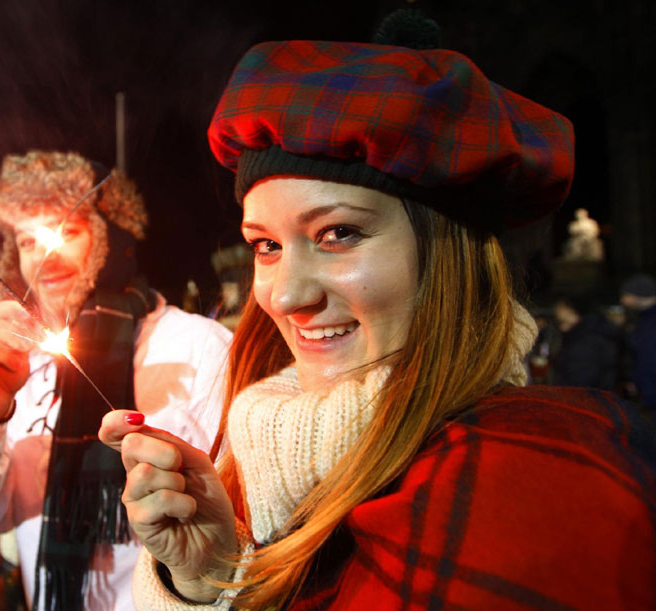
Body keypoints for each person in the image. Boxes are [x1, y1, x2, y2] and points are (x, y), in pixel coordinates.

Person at [98, 34, 656, 610]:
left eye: (338, 234)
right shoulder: (247, 464)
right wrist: (207, 578)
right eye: (265, 245)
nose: (286, 296)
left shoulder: (531, 488)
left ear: (448, 257)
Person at [0, 150, 232, 610]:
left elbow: (241, 527)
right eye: (26, 241)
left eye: (67, 232)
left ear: (109, 239)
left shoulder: (199, 346)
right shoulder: (13, 361)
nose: (46, 256)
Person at [550, 294, 621, 390]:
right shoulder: (588, 333)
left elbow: (578, 380)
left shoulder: (587, 341)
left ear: (572, 311)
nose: (562, 328)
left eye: (560, 307)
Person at [620, 273, 656, 413]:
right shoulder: (644, 320)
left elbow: (648, 358)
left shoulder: (649, 324)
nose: (623, 300)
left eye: (625, 295)